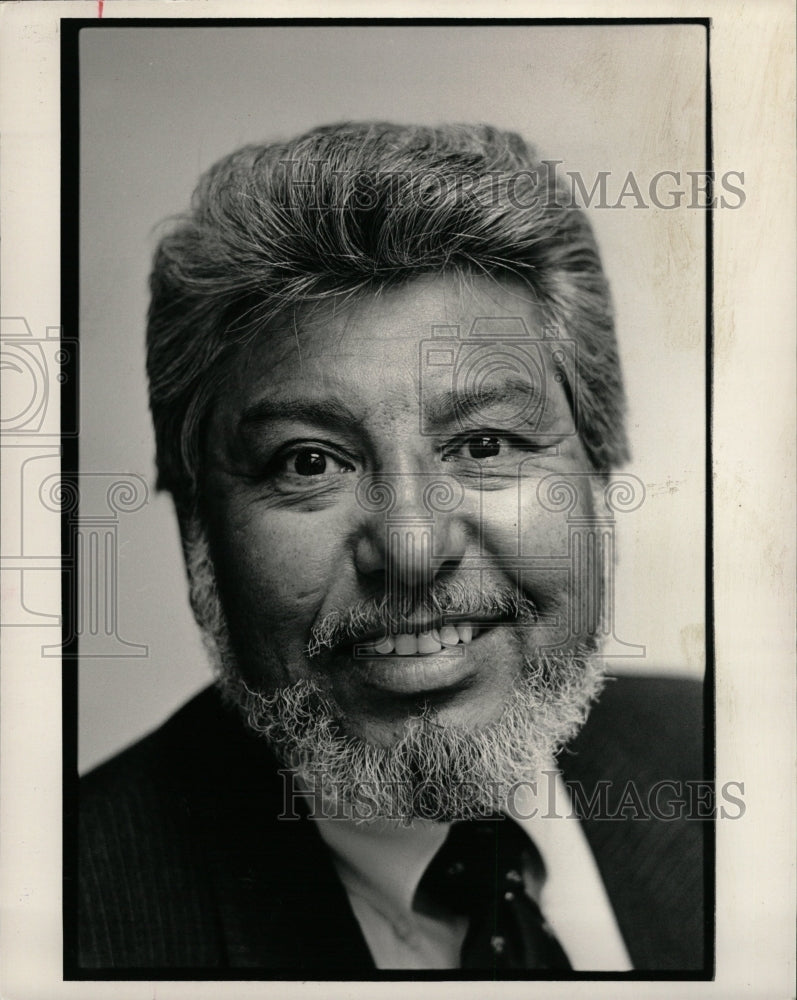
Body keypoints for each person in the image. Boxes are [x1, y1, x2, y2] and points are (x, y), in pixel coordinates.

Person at [77, 122, 705, 974]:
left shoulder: (724, 761)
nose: (411, 549)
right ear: (198, 533)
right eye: (309, 462)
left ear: (598, 474)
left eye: (484, 445)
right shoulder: (65, 915)